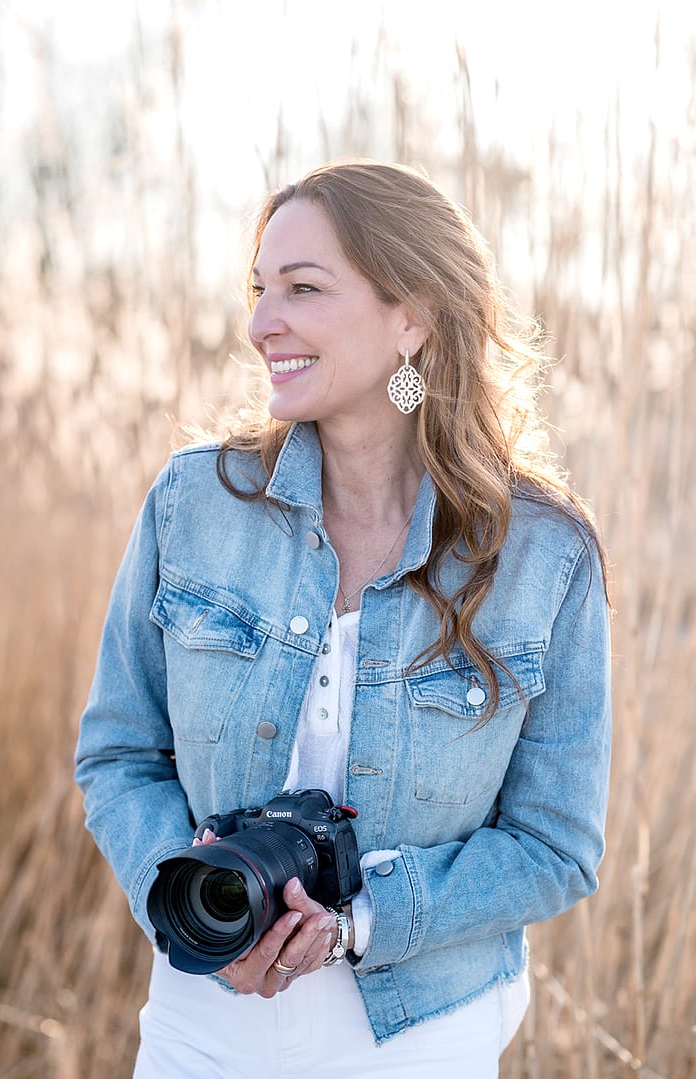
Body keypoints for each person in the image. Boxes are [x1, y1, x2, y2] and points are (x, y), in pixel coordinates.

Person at [75, 160, 611, 1078]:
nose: (260, 324)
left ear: (413, 316)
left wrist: (360, 919)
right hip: (204, 1015)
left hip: (420, 1033)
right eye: (259, 290)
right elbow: (119, 754)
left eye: (303, 289)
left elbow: (556, 843)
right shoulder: (192, 503)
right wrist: (191, 889)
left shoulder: (542, 556)